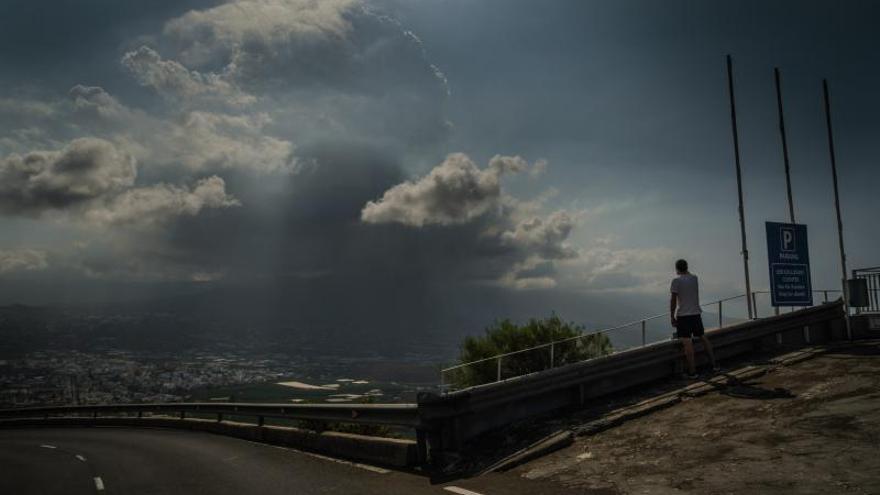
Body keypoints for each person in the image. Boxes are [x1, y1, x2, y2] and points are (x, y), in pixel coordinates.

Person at [670, 259, 718, 379]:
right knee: (703, 338)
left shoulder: (676, 281)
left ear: (677, 268)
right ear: (686, 267)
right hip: (696, 314)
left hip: (683, 316)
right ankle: (715, 365)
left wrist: (672, 316)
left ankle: (693, 372)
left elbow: (673, 300)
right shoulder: (694, 278)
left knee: (687, 344)